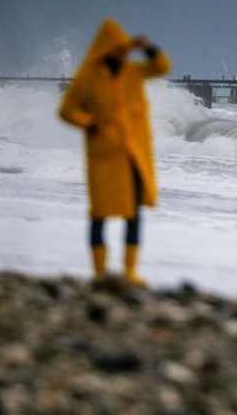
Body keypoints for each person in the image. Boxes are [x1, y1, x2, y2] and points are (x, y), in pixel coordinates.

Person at [58, 18, 170, 287]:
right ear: (104, 50)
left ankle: (130, 271)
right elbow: (66, 110)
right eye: (117, 50)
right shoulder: (87, 77)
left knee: (133, 213)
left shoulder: (132, 72)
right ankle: (99, 273)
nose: (122, 54)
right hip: (103, 155)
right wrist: (89, 123)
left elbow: (161, 67)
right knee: (99, 214)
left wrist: (149, 48)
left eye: (124, 49)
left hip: (132, 154)